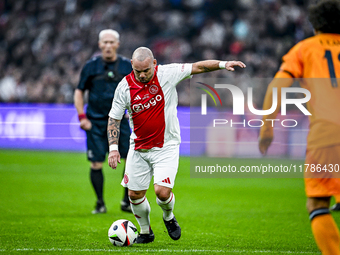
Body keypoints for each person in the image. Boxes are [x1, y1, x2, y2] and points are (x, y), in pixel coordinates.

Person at [107, 46, 246, 243]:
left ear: (154, 63)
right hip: (138, 148)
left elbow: (199, 67)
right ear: (132, 66)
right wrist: (113, 149)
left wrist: (223, 64)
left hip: (167, 145)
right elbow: (114, 119)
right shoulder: (124, 87)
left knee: (162, 192)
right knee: (134, 194)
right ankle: (146, 232)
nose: (143, 75)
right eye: (138, 71)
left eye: (146, 70)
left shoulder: (167, 74)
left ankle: (168, 217)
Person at [258, 1, 340, 254]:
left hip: (327, 132)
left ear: (314, 25)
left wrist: (267, 127)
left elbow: (277, 86)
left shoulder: (305, 49)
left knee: (317, 201)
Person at [74, 29, 132, 214]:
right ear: (100, 45)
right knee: (96, 163)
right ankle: (100, 203)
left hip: (120, 122)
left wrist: (133, 110)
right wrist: (82, 117)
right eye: (104, 42)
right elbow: (79, 91)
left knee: (130, 161)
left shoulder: (126, 66)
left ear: (117, 44)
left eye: (111, 42)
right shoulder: (90, 66)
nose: (108, 46)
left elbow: (137, 89)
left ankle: (126, 201)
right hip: (96, 122)